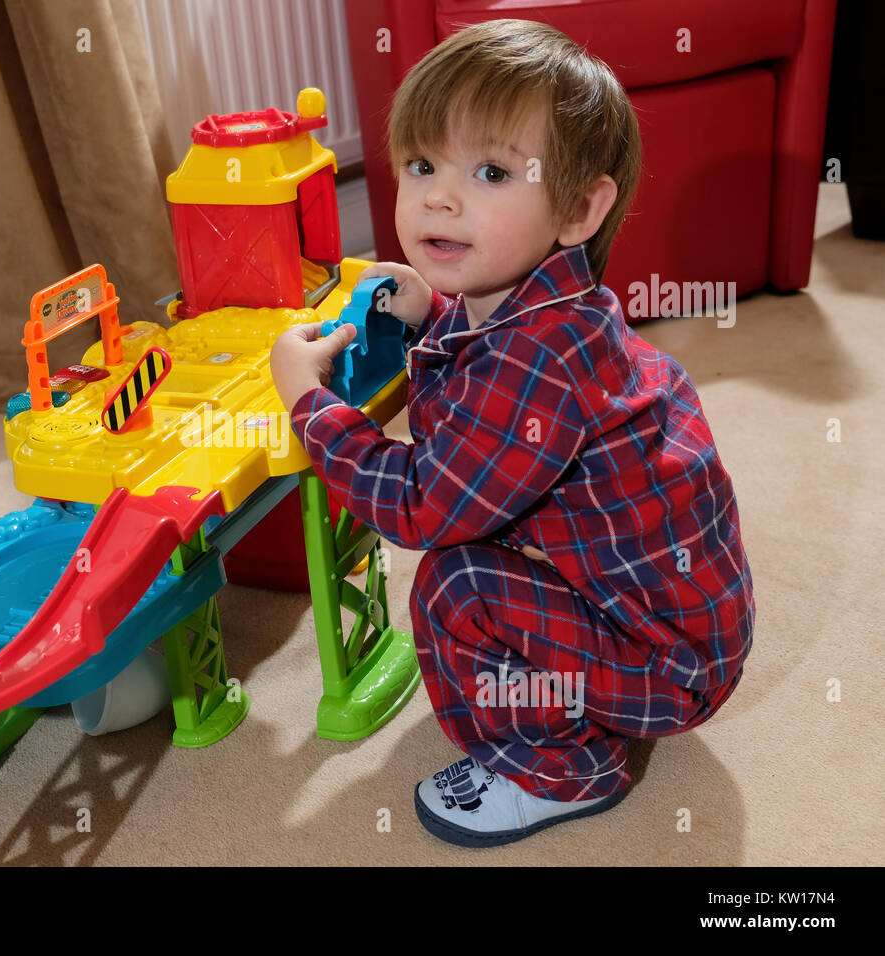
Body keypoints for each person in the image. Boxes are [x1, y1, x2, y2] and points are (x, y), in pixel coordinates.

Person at [268, 19, 754, 848]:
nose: (437, 198)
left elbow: (424, 507)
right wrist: (430, 312)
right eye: (421, 165)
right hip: (669, 624)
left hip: (671, 667)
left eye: (490, 172)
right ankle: (588, 694)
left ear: (578, 209)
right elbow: (480, 370)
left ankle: (566, 773)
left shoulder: (537, 366)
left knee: (458, 587)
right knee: (492, 563)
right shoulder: (553, 311)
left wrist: (308, 402)